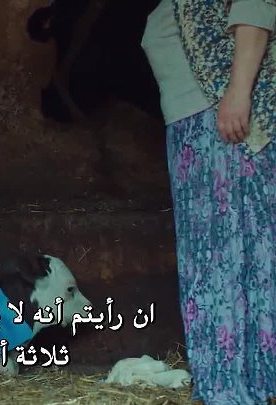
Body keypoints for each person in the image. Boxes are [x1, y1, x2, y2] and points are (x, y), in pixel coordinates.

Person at [141, 0, 275, 404]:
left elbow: (257, 5)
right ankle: (239, 383)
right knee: (218, 256)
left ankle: (235, 388)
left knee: (227, 256)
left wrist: (238, 92)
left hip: (220, 121)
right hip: (198, 126)